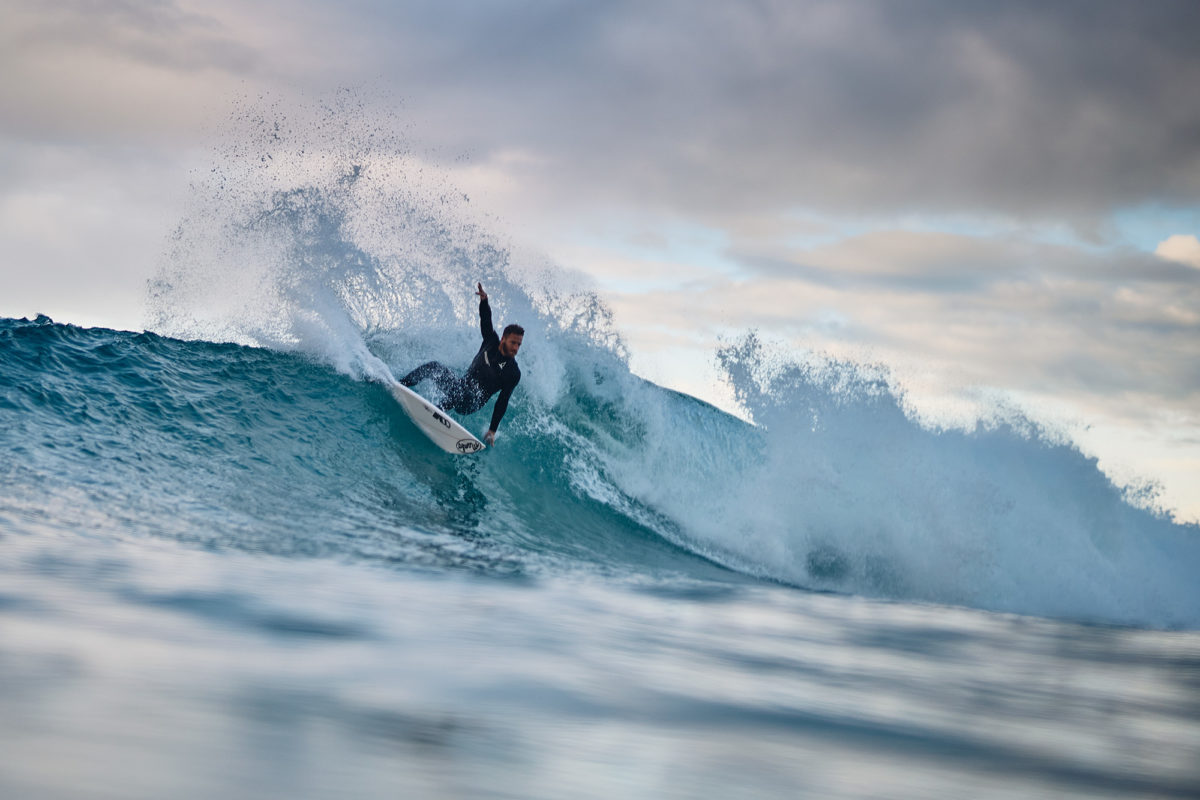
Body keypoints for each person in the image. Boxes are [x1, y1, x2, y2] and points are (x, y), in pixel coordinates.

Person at [400, 283, 523, 446]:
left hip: (472, 402)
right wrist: (484, 301)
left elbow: (502, 401)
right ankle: (401, 384)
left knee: (462, 392)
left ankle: (433, 413)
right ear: (503, 339)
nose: (515, 348)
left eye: (519, 344)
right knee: (434, 367)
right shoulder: (491, 341)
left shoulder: (513, 372)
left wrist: (492, 431)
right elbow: (486, 321)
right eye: (513, 343)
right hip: (460, 386)